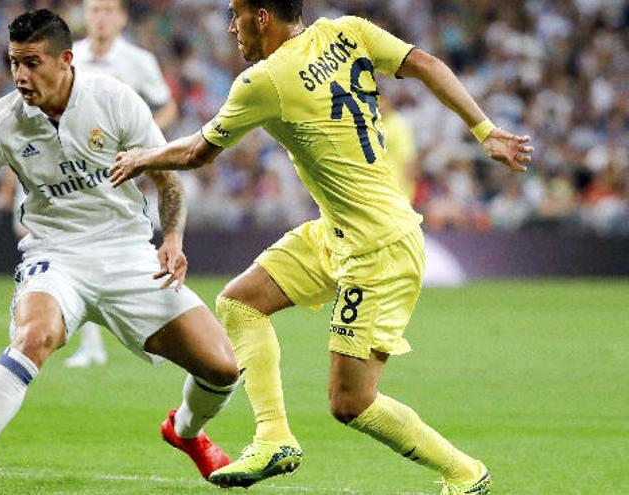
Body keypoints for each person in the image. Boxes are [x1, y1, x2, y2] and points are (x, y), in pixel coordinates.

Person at [108, 1, 533, 493]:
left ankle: (464, 472)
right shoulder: (348, 31)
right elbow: (426, 65)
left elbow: (197, 152)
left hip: (378, 249)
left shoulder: (264, 81)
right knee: (240, 303)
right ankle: (273, 437)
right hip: (339, 231)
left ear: (261, 17)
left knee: (350, 402)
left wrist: (142, 156)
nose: (231, 27)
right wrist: (486, 131)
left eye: (236, 14)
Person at [0, 9, 239, 495]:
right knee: (33, 337)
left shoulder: (115, 99)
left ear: (65, 60)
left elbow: (169, 182)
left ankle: (184, 432)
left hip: (126, 251)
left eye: (32, 62)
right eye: (13, 62)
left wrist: (173, 239)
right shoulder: (1, 122)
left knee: (223, 367)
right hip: (56, 255)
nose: (20, 75)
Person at [45, 0, 182, 368]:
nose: (100, 17)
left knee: (132, 239)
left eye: (107, 10)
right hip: (76, 169)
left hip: (127, 165)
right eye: (94, 10)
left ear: (121, 18)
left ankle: (163, 325)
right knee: (79, 242)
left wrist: (143, 134)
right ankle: (92, 343)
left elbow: (169, 106)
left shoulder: (137, 61)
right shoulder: (69, 58)